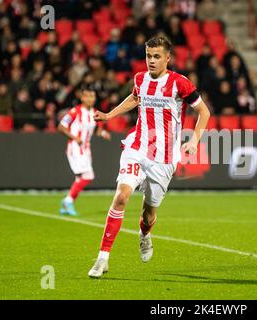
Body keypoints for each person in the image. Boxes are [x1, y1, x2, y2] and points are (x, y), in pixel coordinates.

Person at [88, 36, 210, 278]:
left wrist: (194, 141)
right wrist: (109, 115)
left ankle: (145, 234)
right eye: (148, 56)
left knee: (149, 212)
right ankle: (102, 258)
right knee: (121, 197)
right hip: (137, 147)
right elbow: (135, 98)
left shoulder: (180, 84)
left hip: (164, 158)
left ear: (167, 58)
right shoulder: (140, 79)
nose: (151, 61)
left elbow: (203, 111)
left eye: (156, 56)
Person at [58, 86, 111, 216]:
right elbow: (61, 127)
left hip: (86, 148)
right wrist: (74, 137)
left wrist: (103, 133)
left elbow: (98, 130)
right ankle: (68, 201)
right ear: (82, 97)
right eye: (87, 96)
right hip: (75, 146)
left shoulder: (95, 113)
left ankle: (67, 204)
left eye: (92, 96)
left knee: (80, 178)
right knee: (88, 176)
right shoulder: (74, 111)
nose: (90, 99)